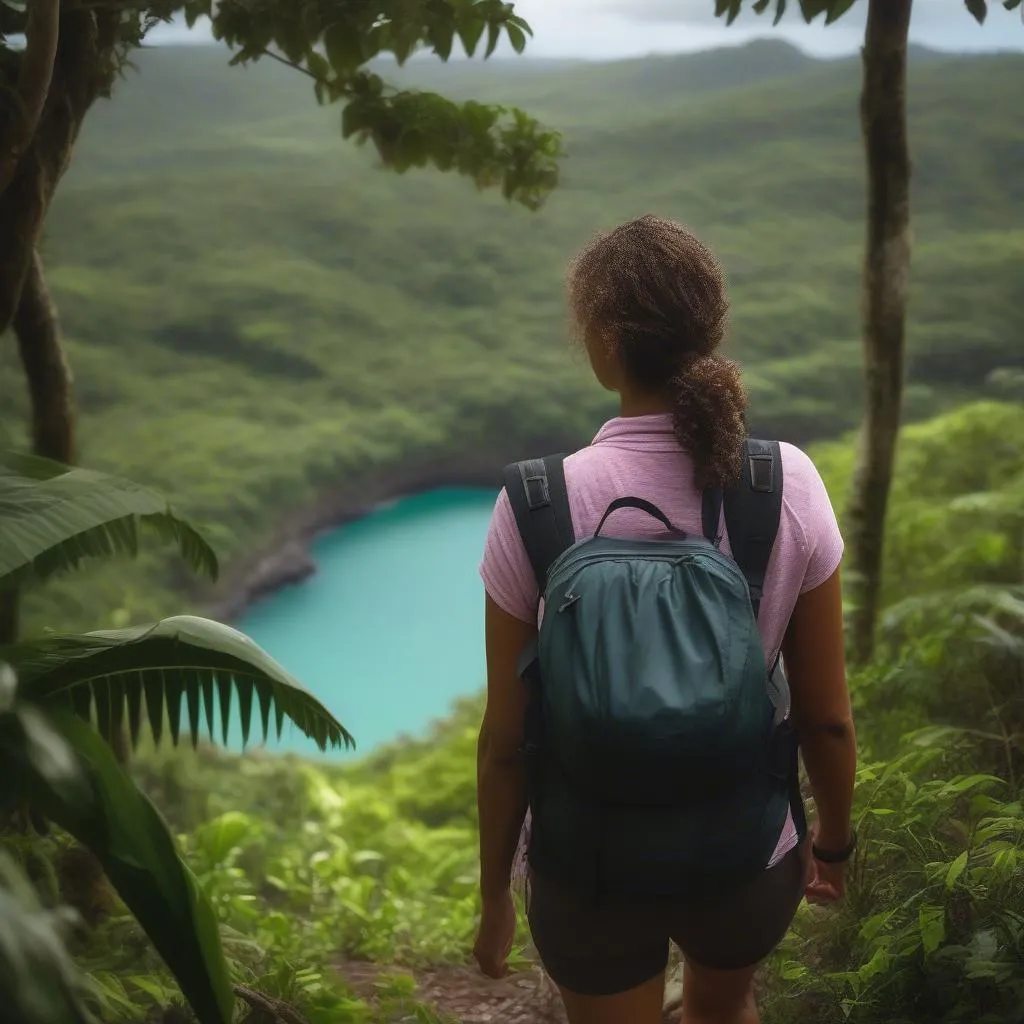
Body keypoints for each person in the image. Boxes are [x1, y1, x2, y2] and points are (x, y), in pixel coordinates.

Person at [473, 214, 857, 1024]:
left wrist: (494, 897)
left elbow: (507, 740)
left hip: (588, 865)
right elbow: (825, 718)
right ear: (709, 328)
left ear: (604, 343)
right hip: (747, 853)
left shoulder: (535, 502)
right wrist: (832, 844)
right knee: (725, 1009)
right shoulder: (787, 482)